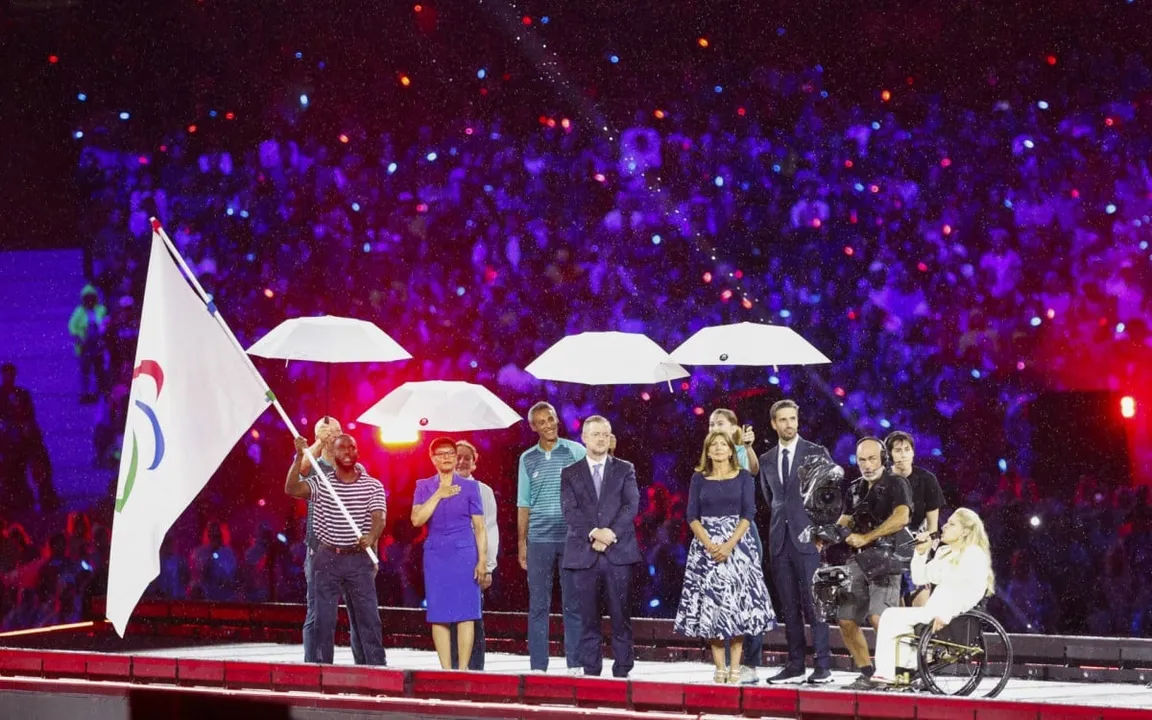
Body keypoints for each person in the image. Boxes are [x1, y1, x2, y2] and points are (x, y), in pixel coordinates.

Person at [674, 431, 774, 684]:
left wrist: (729, 545)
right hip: (706, 547)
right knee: (713, 606)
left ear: (731, 450)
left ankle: (736, 668)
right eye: (713, 445)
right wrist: (710, 545)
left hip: (738, 546)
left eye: (723, 444)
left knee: (738, 607)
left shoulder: (742, 477)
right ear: (708, 451)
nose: (718, 448)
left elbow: (748, 513)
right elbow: (691, 516)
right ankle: (719, 667)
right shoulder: (699, 478)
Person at [285, 434, 387, 666]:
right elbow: (291, 488)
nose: (348, 452)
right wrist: (299, 457)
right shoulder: (322, 481)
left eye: (353, 447)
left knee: (368, 618)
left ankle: (375, 668)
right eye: (343, 448)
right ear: (332, 453)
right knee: (323, 619)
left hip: (358, 560)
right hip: (327, 558)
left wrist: (371, 537)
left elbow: (379, 518)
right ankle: (321, 670)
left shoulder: (372, 485)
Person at [752, 399, 834, 685]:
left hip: (809, 539)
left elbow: (831, 495)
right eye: (783, 420)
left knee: (815, 605)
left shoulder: (815, 452)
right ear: (774, 423)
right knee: (788, 606)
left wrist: (824, 534)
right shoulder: (765, 459)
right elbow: (772, 499)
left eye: (793, 419)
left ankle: (822, 665)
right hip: (779, 542)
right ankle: (795, 664)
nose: (789, 424)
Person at [869, 508, 995, 688]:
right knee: (894, 619)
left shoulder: (974, 555)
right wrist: (920, 553)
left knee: (892, 616)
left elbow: (973, 592)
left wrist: (947, 613)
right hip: (933, 610)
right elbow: (920, 578)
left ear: (965, 531)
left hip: (951, 613)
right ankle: (901, 675)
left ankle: (890, 673)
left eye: (952, 524)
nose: (944, 526)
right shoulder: (944, 552)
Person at [560, 415, 641, 678]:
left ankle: (622, 670)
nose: (601, 439)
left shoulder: (625, 468)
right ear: (583, 438)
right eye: (596, 434)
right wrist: (595, 533)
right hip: (584, 554)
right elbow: (569, 510)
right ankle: (591, 671)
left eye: (605, 434)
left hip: (618, 554)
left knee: (621, 617)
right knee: (587, 619)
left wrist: (610, 534)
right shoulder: (570, 473)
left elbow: (631, 505)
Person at [834, 437, 913, 690]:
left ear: (883, 459)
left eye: (872, 459)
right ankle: (866, 672)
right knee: (846, 619)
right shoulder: (854, 489)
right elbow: (844, 521)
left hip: (887, 557)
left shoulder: (896, 483)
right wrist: (825, 535)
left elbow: (901, 518)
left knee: (881, 618)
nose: (867, 465)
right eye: (862, 460)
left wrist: (867, 537)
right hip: (857, 559)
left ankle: (900, 673)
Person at [517, 401, 587, 673]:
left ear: (557, 419)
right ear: (533, 427)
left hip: (571, 539)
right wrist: (521, 543)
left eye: (551, 419)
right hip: (538, 540)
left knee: (572, 603)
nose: (548, 425)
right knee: (538, 605)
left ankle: (575, 663)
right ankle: (538, 666)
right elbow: (523, 503)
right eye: (542, 422)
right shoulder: (527, 458)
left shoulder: (575, 451)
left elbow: (593, 486)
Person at [295, 416, 368, 664]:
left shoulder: (355, 468)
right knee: (318, 613)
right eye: (328, 432)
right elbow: (302, 467)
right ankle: (316, 666)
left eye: (338, 430)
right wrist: (318, 442)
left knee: (359, 612)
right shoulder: (315, 466)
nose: (334, 435)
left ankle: (366, 665)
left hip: (353, 551)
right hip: (321, 549)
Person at [412, 437, 488, 670]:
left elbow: (480, 527)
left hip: (464, 554)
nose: (446, 457)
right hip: (436, 555)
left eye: (450, 453)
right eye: (441, 454)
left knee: (466, 613)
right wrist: (438, 494)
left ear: (456, 457)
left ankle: (463, 669)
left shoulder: (471, 487)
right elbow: (417, 520)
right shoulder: (423, 485)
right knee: (439, 613)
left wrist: (482, 560)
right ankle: (446, 670)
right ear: (432, 458)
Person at [449, 439, 497, 670]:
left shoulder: (483, 491)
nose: (461, 461)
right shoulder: (438, 487)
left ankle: (475, 670)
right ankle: (451, 668)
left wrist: (487, 565)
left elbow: (489, 527)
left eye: (467, 457)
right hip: (445, 562)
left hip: (473, 562)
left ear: (474, 463)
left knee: (473, 617)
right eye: (457, 456)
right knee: (447, 617)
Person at [885, 431, 945, 607]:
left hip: (918, 549)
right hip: (889, 552)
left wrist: (926, 550)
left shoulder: (927, 480)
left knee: (920, 614)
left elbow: (933, 528)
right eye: (897, 450)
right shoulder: (882, 481)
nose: (902, 454)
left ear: (913, 452)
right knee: (897, 615)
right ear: (889, 454)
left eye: (906, 449)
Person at [67, 284, 108, 404]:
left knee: (98, 370)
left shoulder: (101, 309)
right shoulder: (79, 311)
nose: (89, 300)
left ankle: (97, 393)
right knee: (85, 371)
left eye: (91, 298)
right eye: (87, 298)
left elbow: (106, 322)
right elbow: (71, 326)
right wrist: (78, 337)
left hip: (98, 344)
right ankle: (85, 393)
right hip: (85, 345)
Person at [708, 408, 759, 474]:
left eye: (720, 424)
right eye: (712, 424)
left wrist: (748, 448)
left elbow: (753, 471)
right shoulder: (708, 452)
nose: (715, 428)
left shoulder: (742, 451)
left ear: (733, 428)